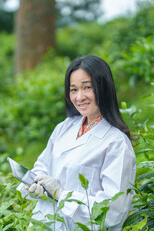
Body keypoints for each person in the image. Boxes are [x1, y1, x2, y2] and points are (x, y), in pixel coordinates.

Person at [17, 55, 136, 230]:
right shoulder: (65, 127)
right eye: (73, 90)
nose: (79, 97)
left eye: (87, 87)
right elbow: (43, 165)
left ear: (103, 87)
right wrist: (34, 182)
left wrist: (62, 195)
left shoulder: (116, 143)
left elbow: (112, 211)